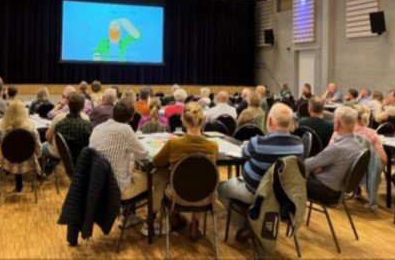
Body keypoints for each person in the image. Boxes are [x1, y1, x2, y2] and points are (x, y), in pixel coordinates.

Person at [218, 103, 303, 241]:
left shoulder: (258, 142)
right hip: (284, 196)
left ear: (269, 121)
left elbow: (244, 152)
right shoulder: (299, 144)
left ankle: (246, 225)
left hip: (257, 193)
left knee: (220, 189)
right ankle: (254, 222)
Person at [151, 102, 219, 239]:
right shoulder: (213, 146)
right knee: (199, 178)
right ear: (203, 119)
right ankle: (195, 222)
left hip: (177, 196)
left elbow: (156, 162)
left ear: (182, 119)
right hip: (205, 197)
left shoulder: (174, 144)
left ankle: (171, 217)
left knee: (167, 176)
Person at [89, 98, 148, 211]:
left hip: (98, 184)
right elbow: (143, 155)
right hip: (118, 188)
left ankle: (127, 214)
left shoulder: (98, 128)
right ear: (131, 117)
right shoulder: (125, 130)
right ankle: (151, 221)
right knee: (153, 178)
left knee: (131, 166)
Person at [305, 106, 363, 205]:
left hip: (326, 191)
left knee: (287, 178)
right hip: (339, 189)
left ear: (338, 123)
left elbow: (306, 165)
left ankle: (287, 217)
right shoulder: (358, 144)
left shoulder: (337, 147)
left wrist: (314, 164)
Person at [0, 100, 42, 192]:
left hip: (8, 162)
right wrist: (37, 156)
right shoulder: (31, 129)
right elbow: (38, 147)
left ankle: (17, 183)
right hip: (29, 161)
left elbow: (2, 148)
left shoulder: (4, 130)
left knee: (15, 154)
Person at [53, 92, 92, 166]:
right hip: (82, 163)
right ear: (83, 106)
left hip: (64, 163)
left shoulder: (59, 125)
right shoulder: (87, 126)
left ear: (68, 105)